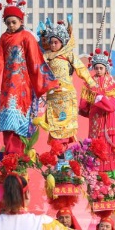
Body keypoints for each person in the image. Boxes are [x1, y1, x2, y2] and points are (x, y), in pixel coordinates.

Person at [0, 0, 58, 154]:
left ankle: (17, 159)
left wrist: (46, 83)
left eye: (14, 22)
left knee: (19, 125)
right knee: (7, 124)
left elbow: (35, 61)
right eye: (8, 23)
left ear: (21, 21)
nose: (11, 26)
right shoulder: (4, 38)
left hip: (23, 86)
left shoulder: (27, 37)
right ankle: (10, 158)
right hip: (7, 86)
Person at [39, 19, 96, 150]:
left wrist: (91, 82)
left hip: (67, 96)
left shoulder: (68, 54)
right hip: (53, 97)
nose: (53, 45)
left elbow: (80, 68)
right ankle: (58, 156)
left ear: (62, 42)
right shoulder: (46, 56)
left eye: (56, 42)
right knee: (54, 129)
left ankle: (63, 156)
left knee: (65, 129)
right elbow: (38, 69)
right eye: (51, 42)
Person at [79, 48, 115, 171]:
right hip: (95, 116)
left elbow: (113, 104)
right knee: (95, 140)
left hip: (107, 117)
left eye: (101, 68)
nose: (98, 70)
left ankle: (108, 170)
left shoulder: (111, 82)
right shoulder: (89, 82)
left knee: (107, 141)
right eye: (96, 68)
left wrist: (101, 99)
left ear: (106, 68)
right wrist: (94, 99)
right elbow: (83, 104)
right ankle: (95, 169)